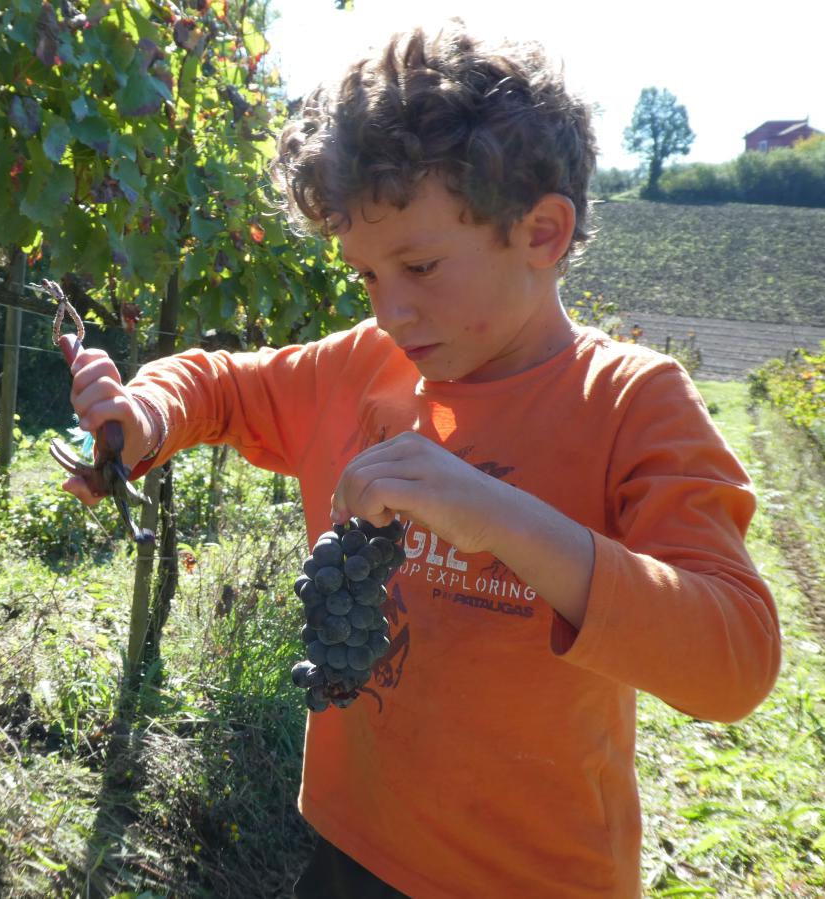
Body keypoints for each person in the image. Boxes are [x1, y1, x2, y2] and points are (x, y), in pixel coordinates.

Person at [60, 23, 781, 898]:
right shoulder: (362, 366)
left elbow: (735, 659)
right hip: (349, 850)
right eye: (366, 276)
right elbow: (220, 386)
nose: (391, 310)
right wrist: (144, 415)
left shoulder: (631, 402)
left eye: (421, 264)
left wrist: (493, 513)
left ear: (543, 232)